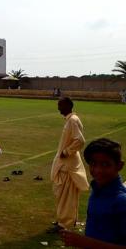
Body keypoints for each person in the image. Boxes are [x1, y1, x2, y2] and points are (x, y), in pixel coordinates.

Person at [60, 138, 126, 247]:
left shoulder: (122, 202)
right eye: (93, 163)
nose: (97, 170)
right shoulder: (97, 192)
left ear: (119, 166)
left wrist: (85, 243)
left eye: (105, 164)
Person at [48, 97, 89, 233]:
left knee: (67, 196)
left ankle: (64, 224)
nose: (58, 108)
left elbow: (80, 140)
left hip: (68, 166)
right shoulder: (71, 120)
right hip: (66, 164)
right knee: (64, 195)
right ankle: (65, 220)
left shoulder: (72, 120)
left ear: (68, 106)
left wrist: (67, 151)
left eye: (60, 105)